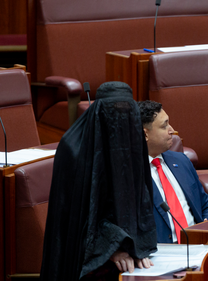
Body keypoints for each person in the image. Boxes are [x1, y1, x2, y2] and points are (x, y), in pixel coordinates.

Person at [40, 82, 157, 280]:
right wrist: (110, 249)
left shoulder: (132, 143)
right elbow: (74, 222)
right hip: (80, 263)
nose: (121, 123)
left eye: (128, 114)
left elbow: (140, 205)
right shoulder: (72, 149)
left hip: (130, 262)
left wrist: (137, 248)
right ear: (97, 113)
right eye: (114, 113)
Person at [138, 100, 208, 243]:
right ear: (145, 135)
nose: (172, 130)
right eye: (164, 126)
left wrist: (207, 223)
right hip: (162, 255)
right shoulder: (131, 174)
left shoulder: (181, 161)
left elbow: (206, 205)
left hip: (197, 245)